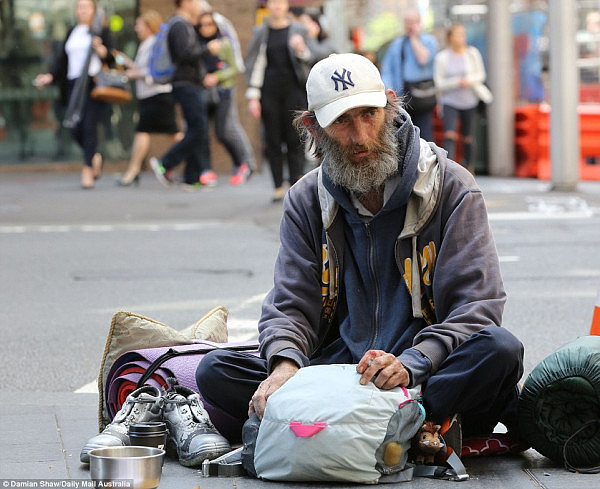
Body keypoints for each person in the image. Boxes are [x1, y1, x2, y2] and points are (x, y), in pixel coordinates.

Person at [196, 53, 526, 457]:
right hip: (339, 372)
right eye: (342, 122)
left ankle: (362, 421)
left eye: (369, 114)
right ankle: (394, 427)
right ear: (313, 128)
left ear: (391, 106)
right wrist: (285, 367)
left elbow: (477, 308)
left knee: (499, 349)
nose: (359, 137)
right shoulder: (306, 199)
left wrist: (412, 362)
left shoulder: (452, 187)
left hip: (423, 374)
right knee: (214, 372)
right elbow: (291, 303)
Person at [34, 0, 114, 189]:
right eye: (80, 7)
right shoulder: (73, 31)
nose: (83, 11)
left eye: (87, 7)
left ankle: (87, 169)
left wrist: (103, 51)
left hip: (92, 84)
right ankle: (93, 156)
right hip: (72, 85)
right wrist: (49, 76)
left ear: (94, 11)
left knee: (88, 126)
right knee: (73, 125)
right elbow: (62, 61)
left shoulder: (101, 31)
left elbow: (113, 56)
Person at [244, 0, 314, 202]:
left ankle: (296, 183)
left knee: (295, 137)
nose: (277, 6)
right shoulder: (260, 32)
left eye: (280, 2)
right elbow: (252, 63)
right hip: (269, 91)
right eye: (273, 2)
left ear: (286, 6)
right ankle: (276, 186)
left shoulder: (298, 29)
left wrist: (301, 49)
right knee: (273, 138)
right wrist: (252, 95)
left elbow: (312, 57)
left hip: (294, 90)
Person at [149, 0, 221, 188]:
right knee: (198, 129)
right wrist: (207, 49)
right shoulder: (179, 24)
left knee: (196, 129)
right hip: (186, 84)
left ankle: (192, 177)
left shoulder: (184, 24)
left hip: (189, 84)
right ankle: (165, 163)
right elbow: (184, 54)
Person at [115, 10, 182, 187]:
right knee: (167, 132)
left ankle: (134, 170)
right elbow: (143, 68)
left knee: (151, 131)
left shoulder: (155, 44)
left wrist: (132, 74)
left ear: (148, 26)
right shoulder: (146, 45)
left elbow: (153, 72)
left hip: (158, 94)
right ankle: (193, 162)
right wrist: (128, 64)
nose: (136, 28)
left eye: (140, 25)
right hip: (149, 95)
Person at [198, 11, 256, 185]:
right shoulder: (198, 45)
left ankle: (243, 164)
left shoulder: (224, 43)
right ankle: (206, 171)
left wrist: (217, 76)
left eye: (209, 24)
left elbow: (235, 67)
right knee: (202, 133)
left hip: (223, 92)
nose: (205, 28)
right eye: (202, 25)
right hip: (203, 93)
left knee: (223, 131)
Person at [433, 23, 489, 172]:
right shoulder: (442, 57)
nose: (462, 37)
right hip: (450, 100)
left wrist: (468, 81)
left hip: (469, 100)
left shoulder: (472, 53)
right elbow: (438, 83)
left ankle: (469, 169)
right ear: (450, 37)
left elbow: (481, 75)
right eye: (458, 34)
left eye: (463, 34)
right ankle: (448, 170)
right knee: (450, 135)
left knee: (468, 137)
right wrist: (456, 82)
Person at [380, 8, 438, 141]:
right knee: (403, 136)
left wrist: (414, 38)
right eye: (407, 22)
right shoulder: (397, 44)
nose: (409, 26)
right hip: (402, 97)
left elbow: (423, 59)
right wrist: (388, 92)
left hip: (422, 97)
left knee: (425, 136)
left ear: (419, 23)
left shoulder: (429, 41)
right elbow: (387, 70)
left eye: (413, 22)